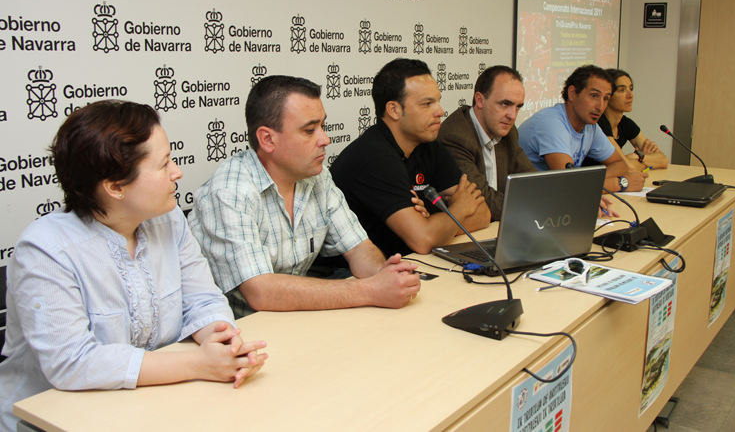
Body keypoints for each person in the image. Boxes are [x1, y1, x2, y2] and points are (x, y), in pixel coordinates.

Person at [0, 101, 266, 432]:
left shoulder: (168, 219)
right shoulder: (45, 251)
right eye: (164, 164)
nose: (177, 172)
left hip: (147, 405)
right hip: (52, 419)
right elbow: (72, 363)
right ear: (115, 186)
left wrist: (224, 343)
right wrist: (198, 364)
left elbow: (203, 299)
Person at [189, 76, 421, 318]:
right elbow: (260, 292)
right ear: (267, 139)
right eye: (309, 130)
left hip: (297, 318)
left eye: (323, 126)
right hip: (243, 331)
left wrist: (385, 276)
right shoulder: (229, 192)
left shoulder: (315, 176)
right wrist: (368, 290)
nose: (325, 139)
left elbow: (358, 248)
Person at [330, 58, 491, 257]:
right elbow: (424, 240)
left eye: (438, 101)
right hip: (351, 276)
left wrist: (434, 224)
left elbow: (483, 214)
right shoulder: (374, 157)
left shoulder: (430, 146)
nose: (440, 112)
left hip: (406, 262)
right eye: (427, 104)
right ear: (394, 110)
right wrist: (459, 209)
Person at [518, 65, 648, 193]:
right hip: (527, 200)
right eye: (594, 96)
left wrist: (586, 182)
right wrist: (620, 183)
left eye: (606, 98)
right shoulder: (551, 122)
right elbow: (569, 183)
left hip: (553, 196)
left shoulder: (590, 127)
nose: (601, 106)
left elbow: (620, 164)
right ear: (573, 93)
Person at [436, 65, 536, 221]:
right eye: (505, 104)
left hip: (498, 227)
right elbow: (482, 200)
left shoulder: (509, 133)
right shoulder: (455, 138)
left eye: (518, 107)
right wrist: (533, 209)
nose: (512, 115)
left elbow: (532, 182)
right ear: (480, 100)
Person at [597, 69, 668, 171]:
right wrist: (646, 162)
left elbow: (663, 160)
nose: (631, 95)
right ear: (607, 96)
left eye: (631, 89)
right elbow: (627, 166)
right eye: (621, 90)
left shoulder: (626, 123)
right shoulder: (599, 124)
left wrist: (638, 156)